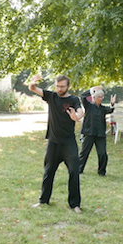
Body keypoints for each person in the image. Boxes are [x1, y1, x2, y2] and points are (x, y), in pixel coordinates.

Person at [29, 74, 84, 212]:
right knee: (48, 171)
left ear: (68, 86)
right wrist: (33, 82)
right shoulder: (51, 96)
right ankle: (43, 200)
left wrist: (76, 117)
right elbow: (33, 88)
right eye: (57, 86)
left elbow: (81, 111)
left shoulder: (73, 99)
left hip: (68, 143)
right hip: (53, 143)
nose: (59, 89)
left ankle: (75, 204)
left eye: (62, 87)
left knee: (74, 172)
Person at [79, 86, 115, 176]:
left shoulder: (103, 109)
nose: (100, 99)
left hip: (100, 135)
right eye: (98, 97)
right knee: (84, 153)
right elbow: (82, 96)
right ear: (94, 97)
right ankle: (79, 169)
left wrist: (112, 103)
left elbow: (110, 110)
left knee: (102, 153)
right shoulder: (89, 106)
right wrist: (92, 89)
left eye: (102, 97)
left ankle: (101, 172)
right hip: (89, 133)